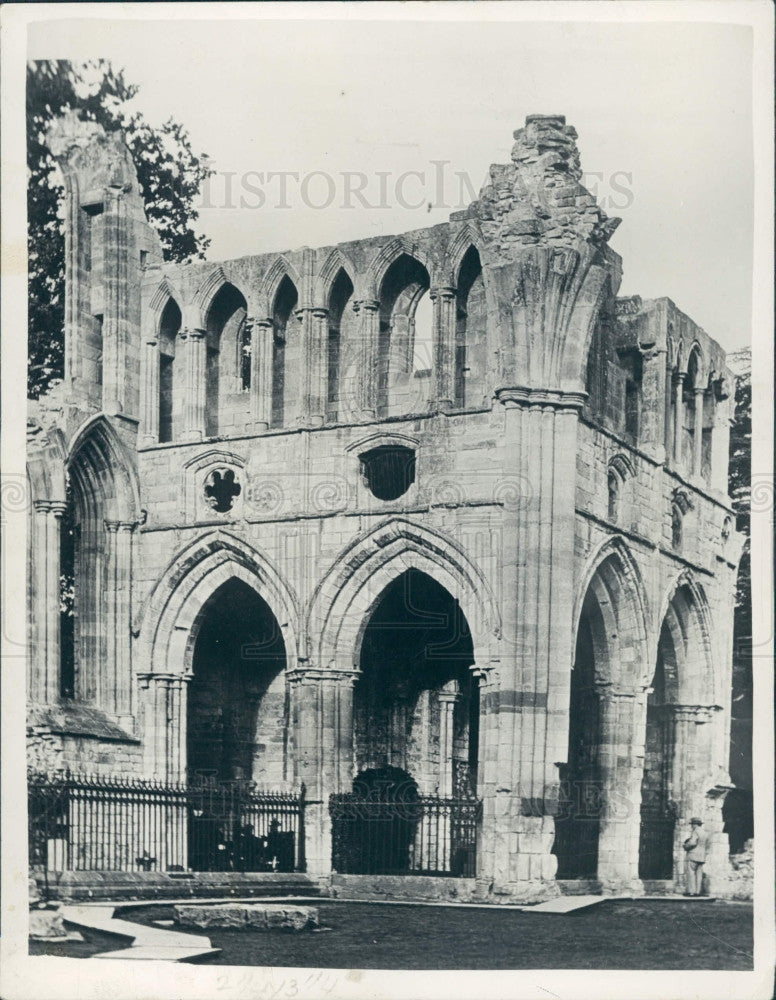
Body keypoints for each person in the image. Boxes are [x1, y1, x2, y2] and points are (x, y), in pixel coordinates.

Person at [683, 816, 708, 896]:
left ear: (695, 824)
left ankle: (691, 892)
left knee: (691, 873)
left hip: (693, 855)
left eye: (692, 824)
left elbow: (693, 843)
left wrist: (685, 846)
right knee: (699, 874)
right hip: (701, 856)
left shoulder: (695, 832)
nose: (691, 826)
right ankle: (698, 891)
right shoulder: (704, 833)